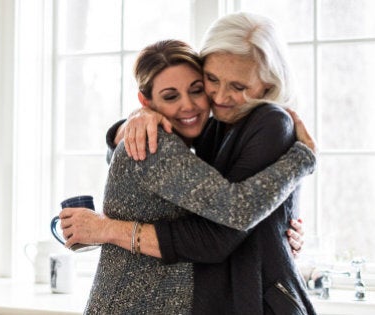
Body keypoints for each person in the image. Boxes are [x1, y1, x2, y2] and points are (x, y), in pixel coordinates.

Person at [61, 13, 317, 314]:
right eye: (211, 80)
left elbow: (223, 229)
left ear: (267, 84)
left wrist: (106, 229)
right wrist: (131, 124)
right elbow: (149, 166)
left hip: (257, 299)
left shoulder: (271, 122)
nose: (220, 96)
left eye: (238, 86)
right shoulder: (216, 126)